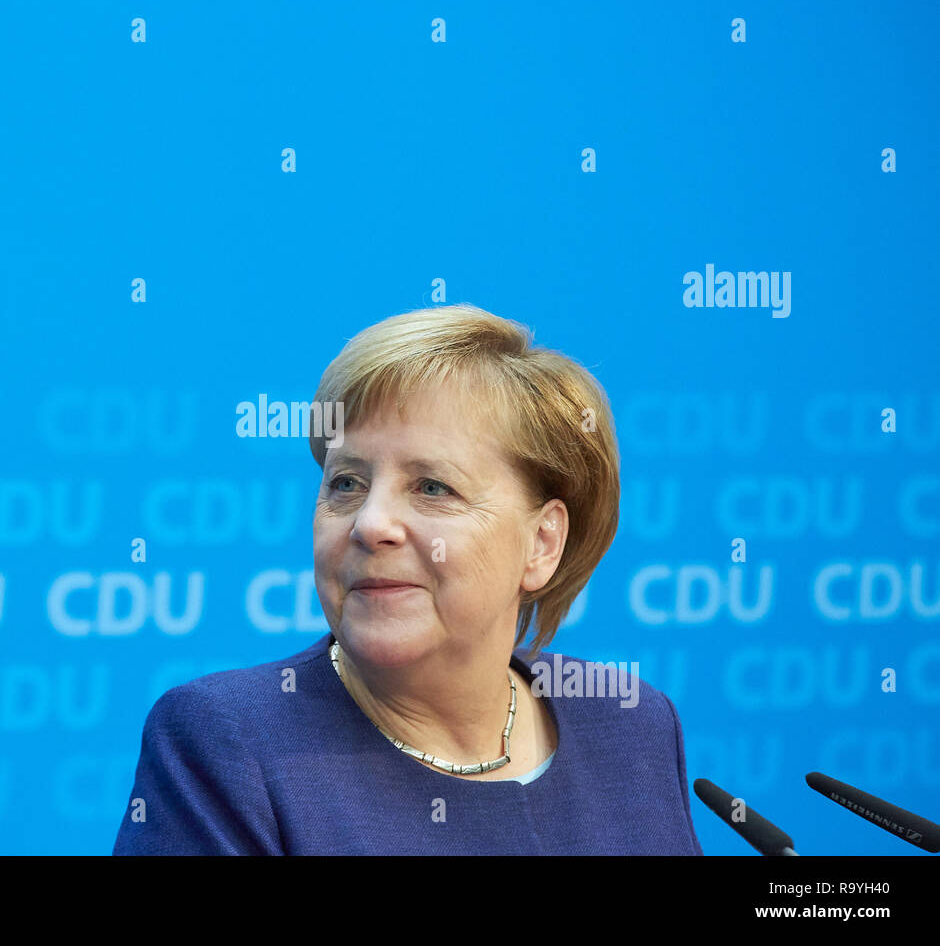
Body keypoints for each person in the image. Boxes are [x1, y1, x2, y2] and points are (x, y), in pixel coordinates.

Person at [113, 304, 703, 854]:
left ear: (541, 543)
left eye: (432, 487)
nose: (371, 526)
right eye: (346, 483)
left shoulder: (629, 725)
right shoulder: (230, 744)